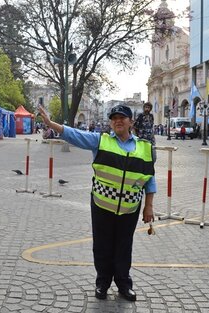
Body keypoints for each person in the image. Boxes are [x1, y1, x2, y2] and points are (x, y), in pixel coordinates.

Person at [38, 104, 156, 302]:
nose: (118, 121)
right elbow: (75, 134)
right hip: (102, 206)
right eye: (114, 118)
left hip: (129, 208)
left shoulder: (145, 148)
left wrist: (149, 206)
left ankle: (124, 284)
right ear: (111, 122)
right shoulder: (100, 141)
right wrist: (51, 124)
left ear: (131, 122)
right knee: (102, 246)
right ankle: (102, 283)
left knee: (124, 247)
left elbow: (150, 178)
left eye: (122, 118)